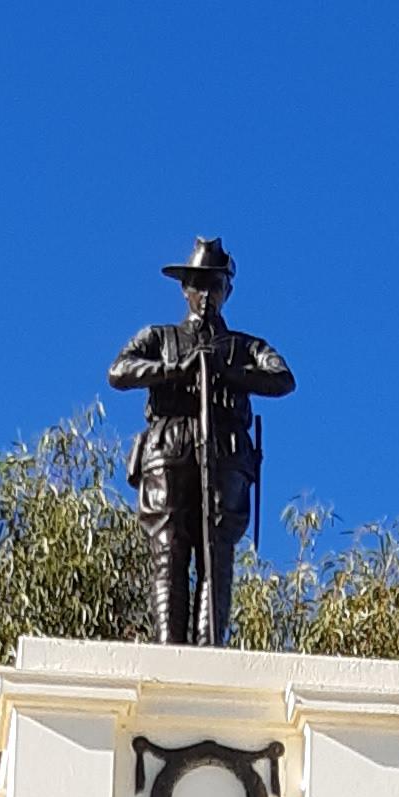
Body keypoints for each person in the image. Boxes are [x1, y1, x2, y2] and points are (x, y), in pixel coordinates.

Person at [105, 239, 295, 645]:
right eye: (197, 285)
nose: (205, 296)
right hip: (169, 451)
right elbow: (119, 371)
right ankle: (168, 646)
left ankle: (211, 646)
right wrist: (175, 368)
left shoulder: (246, 346)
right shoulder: (159, 337)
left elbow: (282, 379)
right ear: (184, 290)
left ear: (228, 290)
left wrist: (229, 371)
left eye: (214, 286)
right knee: (169, 548)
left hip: (225, 453)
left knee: (217, 551)